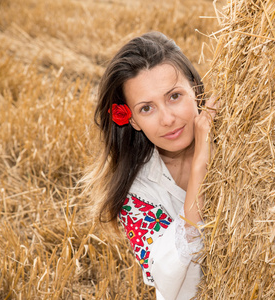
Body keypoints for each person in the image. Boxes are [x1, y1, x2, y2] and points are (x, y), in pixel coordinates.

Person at [85, 31, 215, 299]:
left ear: (196, 89)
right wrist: (202, 161)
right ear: (132, 120)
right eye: (147, 108)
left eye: (174, 96)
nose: (167, 118)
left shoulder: (244, 141)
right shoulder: (134, 194)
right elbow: (171, 278)